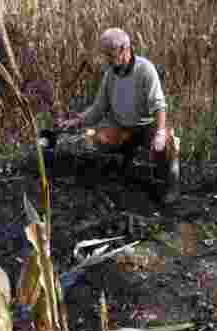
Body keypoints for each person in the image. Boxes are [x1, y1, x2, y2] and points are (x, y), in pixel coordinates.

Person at [60, 28, 180, 203]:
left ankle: (170, 185)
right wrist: (77, 121)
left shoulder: (145, 69)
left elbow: (159, 105)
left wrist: (160, 132)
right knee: (97, 139)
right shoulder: (110, 75)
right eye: (105, 55)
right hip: (122, 127)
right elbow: (98, 108)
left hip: (146, 126)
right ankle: (125, 162)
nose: (107, 59)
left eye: (110, 54)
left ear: (125, 49)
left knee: (168, 143)